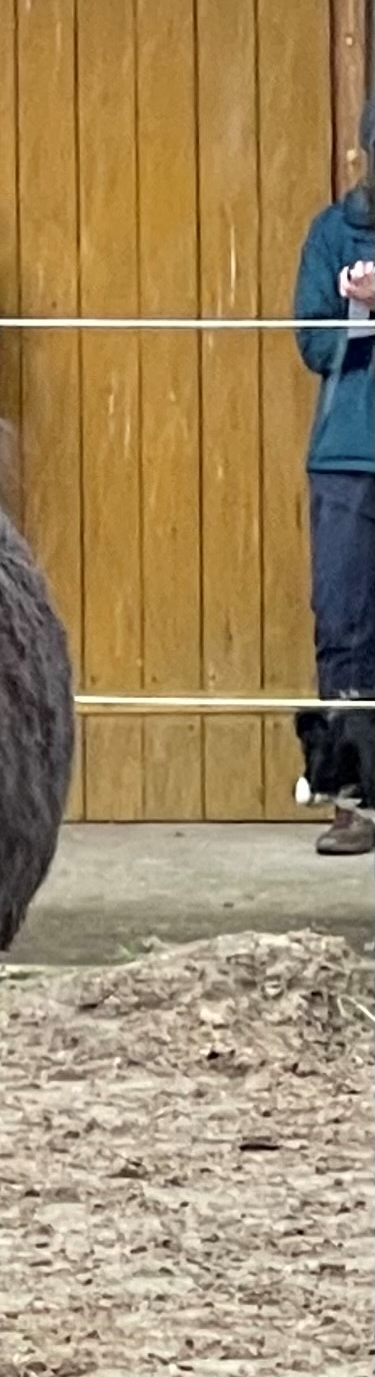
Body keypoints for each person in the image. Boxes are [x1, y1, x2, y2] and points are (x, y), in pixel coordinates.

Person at [293, 94, 375, 856]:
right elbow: (312, 344)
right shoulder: (331, 232)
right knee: (344, 624)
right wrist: (357, 313)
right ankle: (353, 798)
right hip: (348, 454)